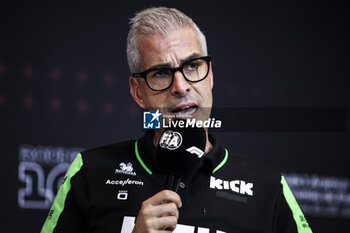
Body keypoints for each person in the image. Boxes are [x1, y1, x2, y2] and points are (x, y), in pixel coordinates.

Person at [41, 7, 312, 233]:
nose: (181, 86)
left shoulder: (268, 187)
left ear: (211, 76)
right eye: (161, 73)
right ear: (138, 92)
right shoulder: (90, 171)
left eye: (193, 66)